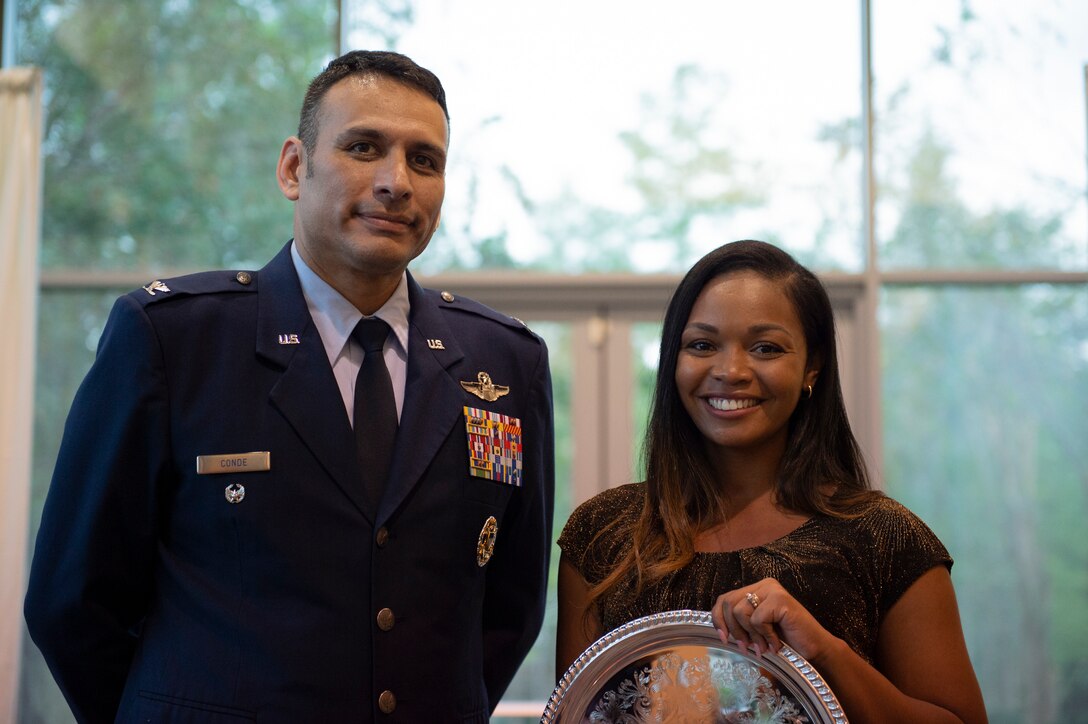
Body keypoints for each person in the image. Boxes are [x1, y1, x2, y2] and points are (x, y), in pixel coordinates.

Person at [25, 50, 555, 723]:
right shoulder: (173, 340)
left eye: (425, 160)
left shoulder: (505, 364)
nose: (396, 181)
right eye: (364, 147)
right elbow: (72, 600)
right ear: (293, 168)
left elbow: (508, 611)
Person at [556, 240, 986, 723]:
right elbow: (576, 711)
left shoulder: (884, 538)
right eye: (701, 345)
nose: (730, 371)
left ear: (812, 367)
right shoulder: (603, 534)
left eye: (765, 348)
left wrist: (823, 651)